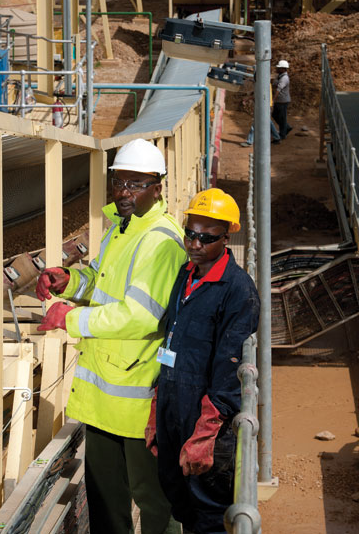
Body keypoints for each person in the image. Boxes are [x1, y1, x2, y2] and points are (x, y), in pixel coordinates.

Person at [35, 138, 187, 534]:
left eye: (136, 184)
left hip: (138, 398)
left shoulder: (160, 242)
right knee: (104, 498)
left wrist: (70, 320)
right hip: (104, 396)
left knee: (154, 502)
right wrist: (69, 283)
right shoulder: (122, 230)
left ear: (158, 187)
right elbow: (101, 283)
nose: (124, 191)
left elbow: (139, 315)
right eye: (119, 181)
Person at [145, 188, 260, 534]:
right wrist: (157, 407)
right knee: (179, 502)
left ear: (226, 238)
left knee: (208, 513)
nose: (194, 244)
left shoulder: (238, 290)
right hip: (173, 405)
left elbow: (229, 368)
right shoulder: (187, 275)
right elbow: (172, 340)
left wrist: (206, 433)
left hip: (206, 420)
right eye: (190, 234)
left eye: (205, 238)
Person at [272, 59, 292, 139]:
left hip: (283, 101)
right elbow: (274, 84)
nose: (277, 69)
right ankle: (286, 127)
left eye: (279, 68)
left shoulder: (284, 78)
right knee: (275, 115)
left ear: (283, 69)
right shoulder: (279, 76)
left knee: (282, 117)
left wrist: (273, 99)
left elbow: (278, 89)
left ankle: (282, 134)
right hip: (279, 100)